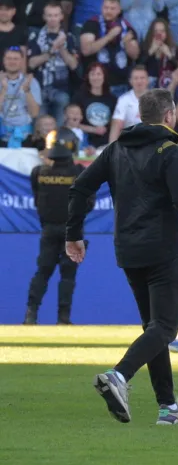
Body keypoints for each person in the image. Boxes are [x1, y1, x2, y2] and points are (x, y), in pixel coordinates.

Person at [67, 89, 178, 425]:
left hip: (128, 249)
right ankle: (119, 375)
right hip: (162, 249)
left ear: (140, 116)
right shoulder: (170, 151)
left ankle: (168, 407)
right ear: (168, 116)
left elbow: (80, 187)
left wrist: (73, 234)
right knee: (164, 328)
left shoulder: (116, 149)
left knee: (154, 329)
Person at [23, 128, 89, 325]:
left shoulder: (38, 172)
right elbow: (88, 202)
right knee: (68, 276)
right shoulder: (79, 173)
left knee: (43, 272)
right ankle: (63, 317)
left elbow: (37, 200)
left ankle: (30, 315)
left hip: (48, 229)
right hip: (72, 231)